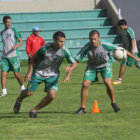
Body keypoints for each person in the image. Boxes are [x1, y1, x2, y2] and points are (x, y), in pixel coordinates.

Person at [64, 30, 140, 114]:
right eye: (91, 39)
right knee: (85, 84)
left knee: (107, 82)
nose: (93, 41)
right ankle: (83, 108)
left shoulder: (105, 45)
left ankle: (113, 103)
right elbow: (76, 61)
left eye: (95, 39)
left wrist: (135, 58)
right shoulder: (87, 47)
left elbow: (122, 50)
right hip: (92, 66)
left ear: (99, 38)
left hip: (105, 65)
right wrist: (70, 69)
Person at [13, 31, 77, 118]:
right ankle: (19, 99)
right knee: (29, 93)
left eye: (63, 41)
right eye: (60, 41)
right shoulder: (44, 49)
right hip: (38, 73)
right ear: (54, 40)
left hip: (52, 75)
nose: (62, 44)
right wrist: (29, 72)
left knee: (52, 95)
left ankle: (34, 110)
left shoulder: (65, 51)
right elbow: (33, 59)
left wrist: (71, 68)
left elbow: (75, 63)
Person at [0, 16, 25, 97]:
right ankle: (4, 92)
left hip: (13, 56)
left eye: (9, 22)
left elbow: (21, 41)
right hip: (4, 57)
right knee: (3, 73)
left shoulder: (14, 30)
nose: (8, 24)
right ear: (3, 22)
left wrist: (16, 46)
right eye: (7, 22)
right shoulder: (2, 32)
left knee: (16, 73)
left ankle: (23, 88)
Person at [112, 19, 140, 85]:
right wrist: (122, 46)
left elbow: (133, 40)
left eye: (120, 26)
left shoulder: (129, 30)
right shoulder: (125, 31)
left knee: (123, 64)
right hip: (128, 50)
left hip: (130, 51)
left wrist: (132, 50)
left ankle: (119, 80)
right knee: (137, 64)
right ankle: (119, 80)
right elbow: (128, 41)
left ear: (124, 25)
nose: (120, 27)